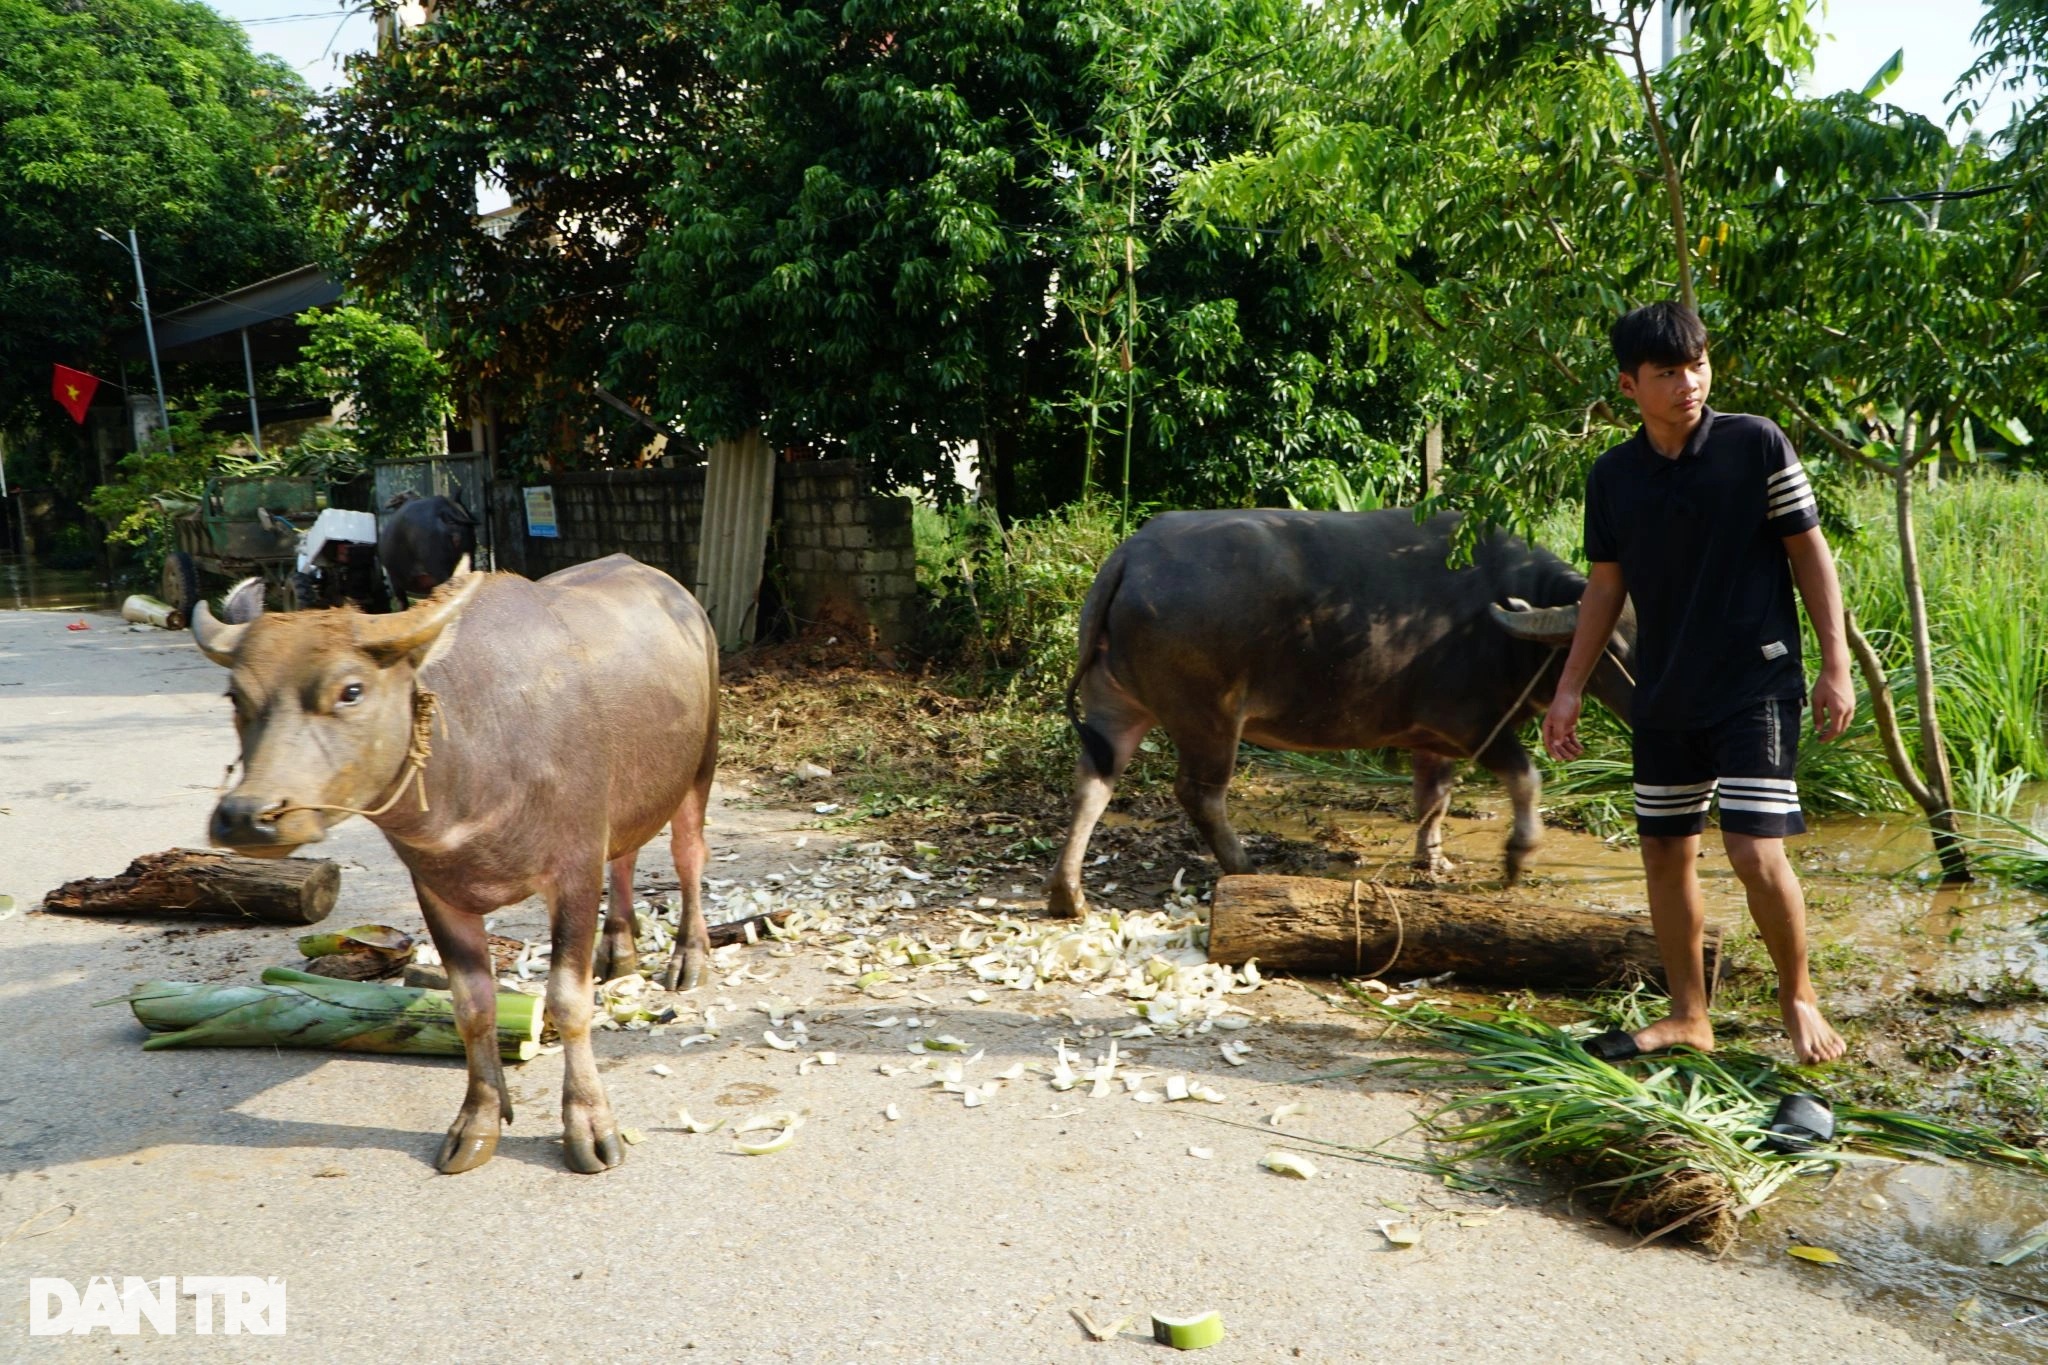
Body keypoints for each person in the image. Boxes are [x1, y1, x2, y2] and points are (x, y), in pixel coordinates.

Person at [1541, 301, 1852, 1066]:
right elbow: (1605, 588)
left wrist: (1835, 664)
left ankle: (1798, 995)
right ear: (1629, 385)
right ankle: (1689, 1015)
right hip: (1667, 689)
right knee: (1665, 852)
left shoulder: (1755, 445)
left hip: (1758, 680)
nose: (1690, 383)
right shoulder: (1613, 476)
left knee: (1753, 850)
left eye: (1698, 364)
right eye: (1669, 372)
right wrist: (1571, 687)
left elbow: (1811, 555)